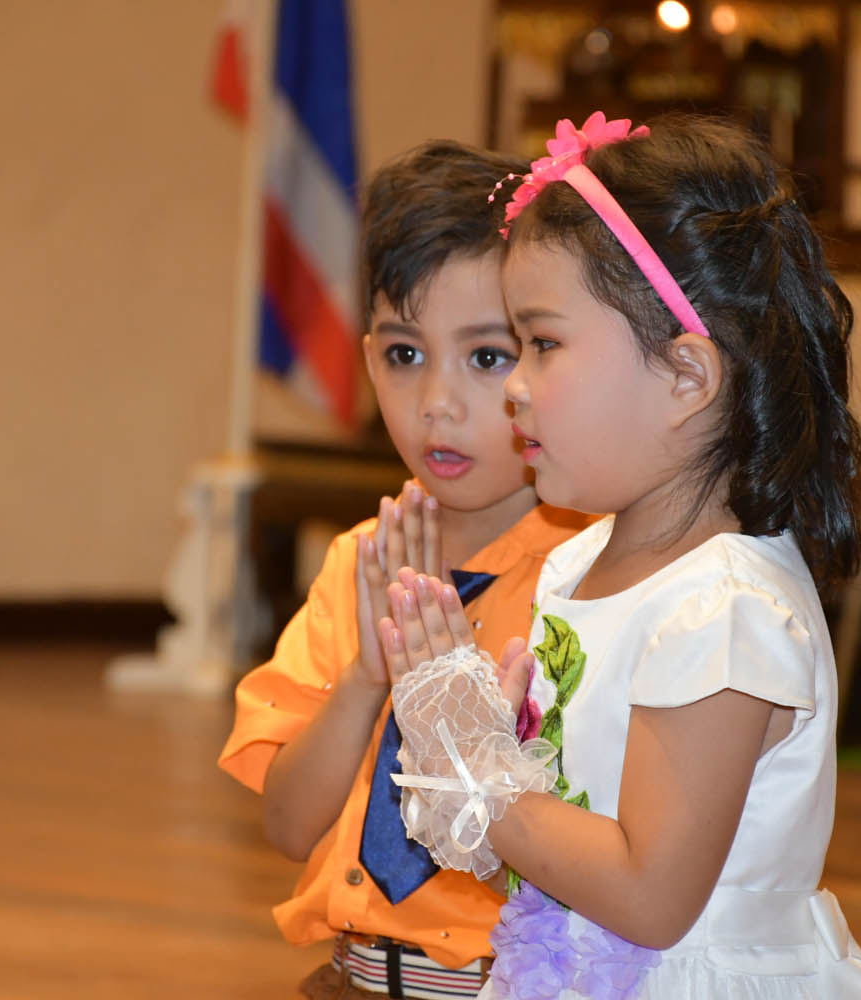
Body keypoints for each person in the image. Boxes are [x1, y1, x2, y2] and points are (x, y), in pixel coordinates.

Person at [366, 113, 861, 998]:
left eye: (542, 344)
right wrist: (477, 756)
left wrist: (483, 777)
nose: (515, 386)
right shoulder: (578, 567)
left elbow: (649, 897)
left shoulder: (723, 607)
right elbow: (555, 850)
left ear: (686, 376)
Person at [217, 139, 592, 1000]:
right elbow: (288, 824)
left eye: (487, 356)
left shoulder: (589, 575)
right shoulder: (361, 561)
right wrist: (367, 676)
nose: (436, 406)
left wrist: (449, 690)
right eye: (404, 354)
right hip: (349, 978)